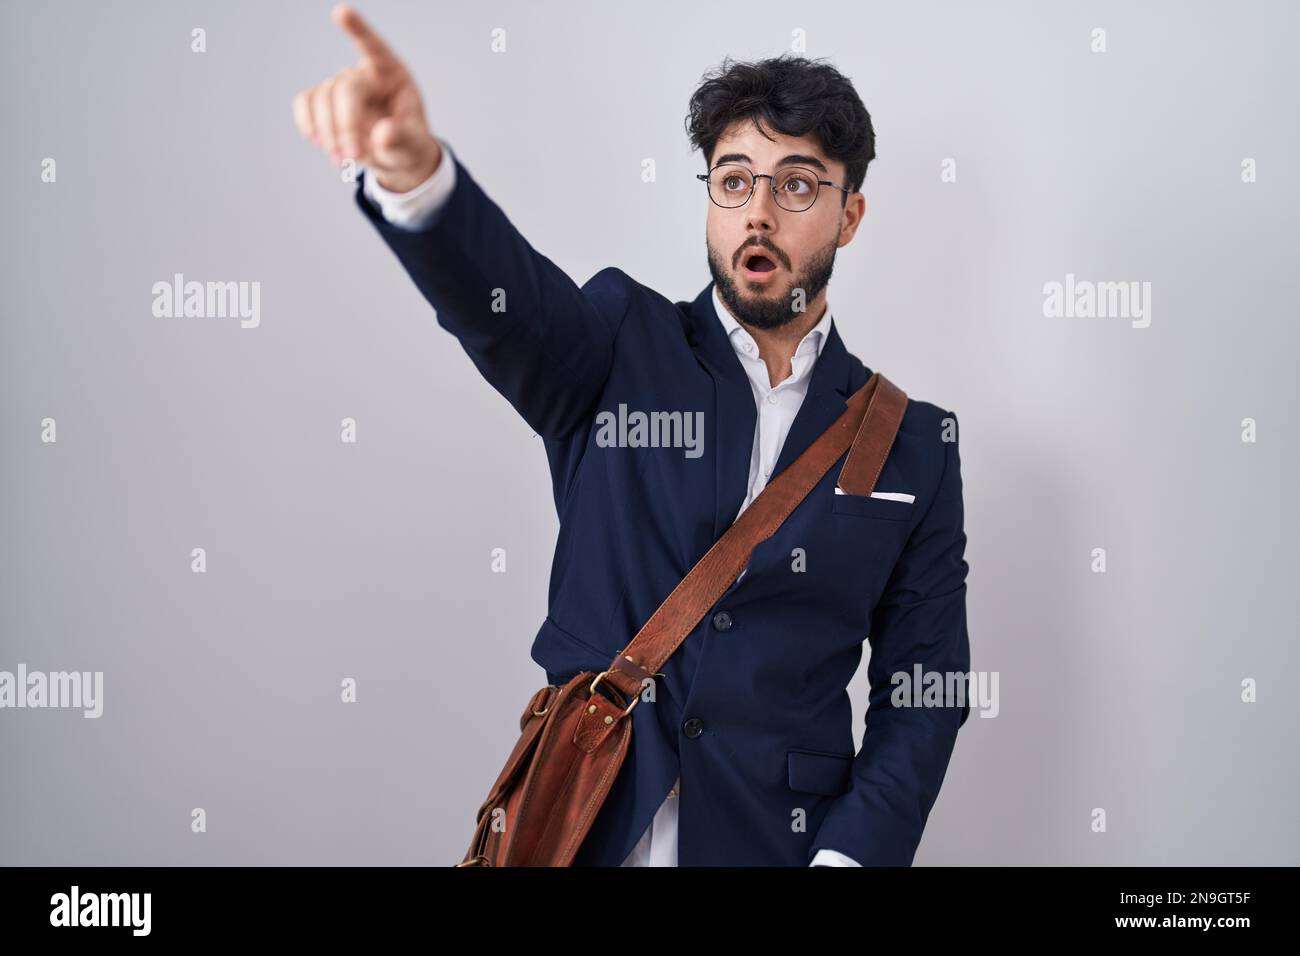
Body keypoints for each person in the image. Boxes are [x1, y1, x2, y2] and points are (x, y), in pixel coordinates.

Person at [293, 3, 971, 867]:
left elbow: (925, 690)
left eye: (797, 184)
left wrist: (846, 862)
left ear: (850, 215)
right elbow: (505, 308)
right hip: (579, 828)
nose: (758, 211)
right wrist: (418, 177)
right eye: (734, 179)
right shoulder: (619, 341)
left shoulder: (913, 442)